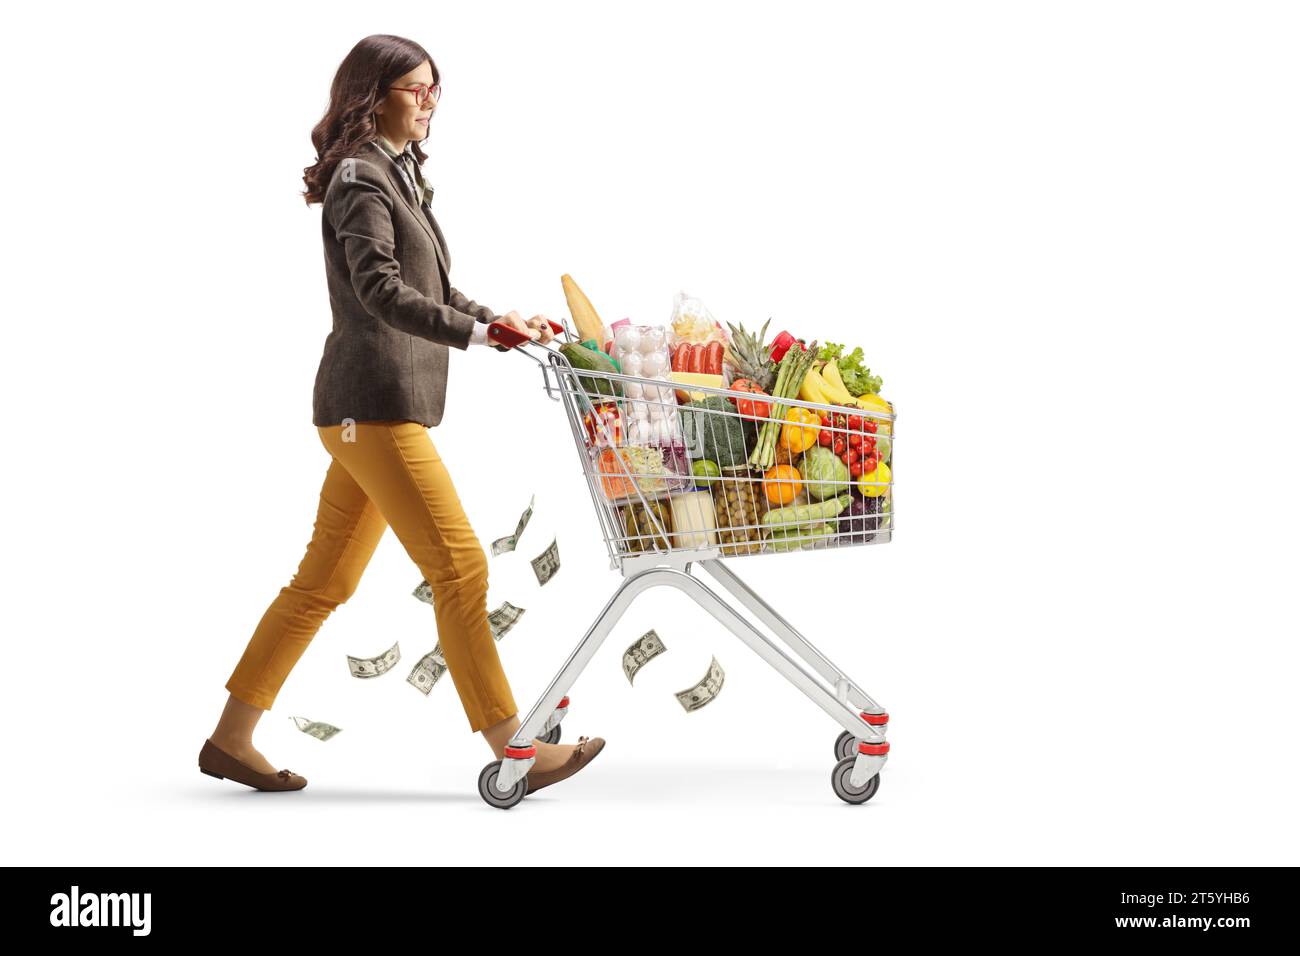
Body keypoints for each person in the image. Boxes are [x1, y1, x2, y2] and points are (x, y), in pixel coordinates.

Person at [199, 34, 604, 794]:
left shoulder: (396, 174)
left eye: (434, 89)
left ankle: (230, 739)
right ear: (371, 93)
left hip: (375, 410)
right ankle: (513, 748)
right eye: (415, 88)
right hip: (370, 407)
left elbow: (436, 290)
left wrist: (498, 319)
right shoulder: (361, 179)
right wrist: (478, 334)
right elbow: (380, 289)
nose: (429, 101)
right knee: (460, 567)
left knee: (322, 584)